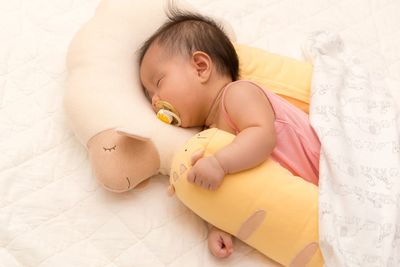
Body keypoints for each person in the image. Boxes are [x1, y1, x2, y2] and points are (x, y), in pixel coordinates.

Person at [139, 9, 320, 259]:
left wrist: (219, 163)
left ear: (200, 67)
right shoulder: (209, 135)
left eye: (158, 83)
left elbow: (262, 137)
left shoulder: (238, 94)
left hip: (325, 163)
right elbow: (242, 188)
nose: (155, 101)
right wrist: (221, 224)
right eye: (149, 96)